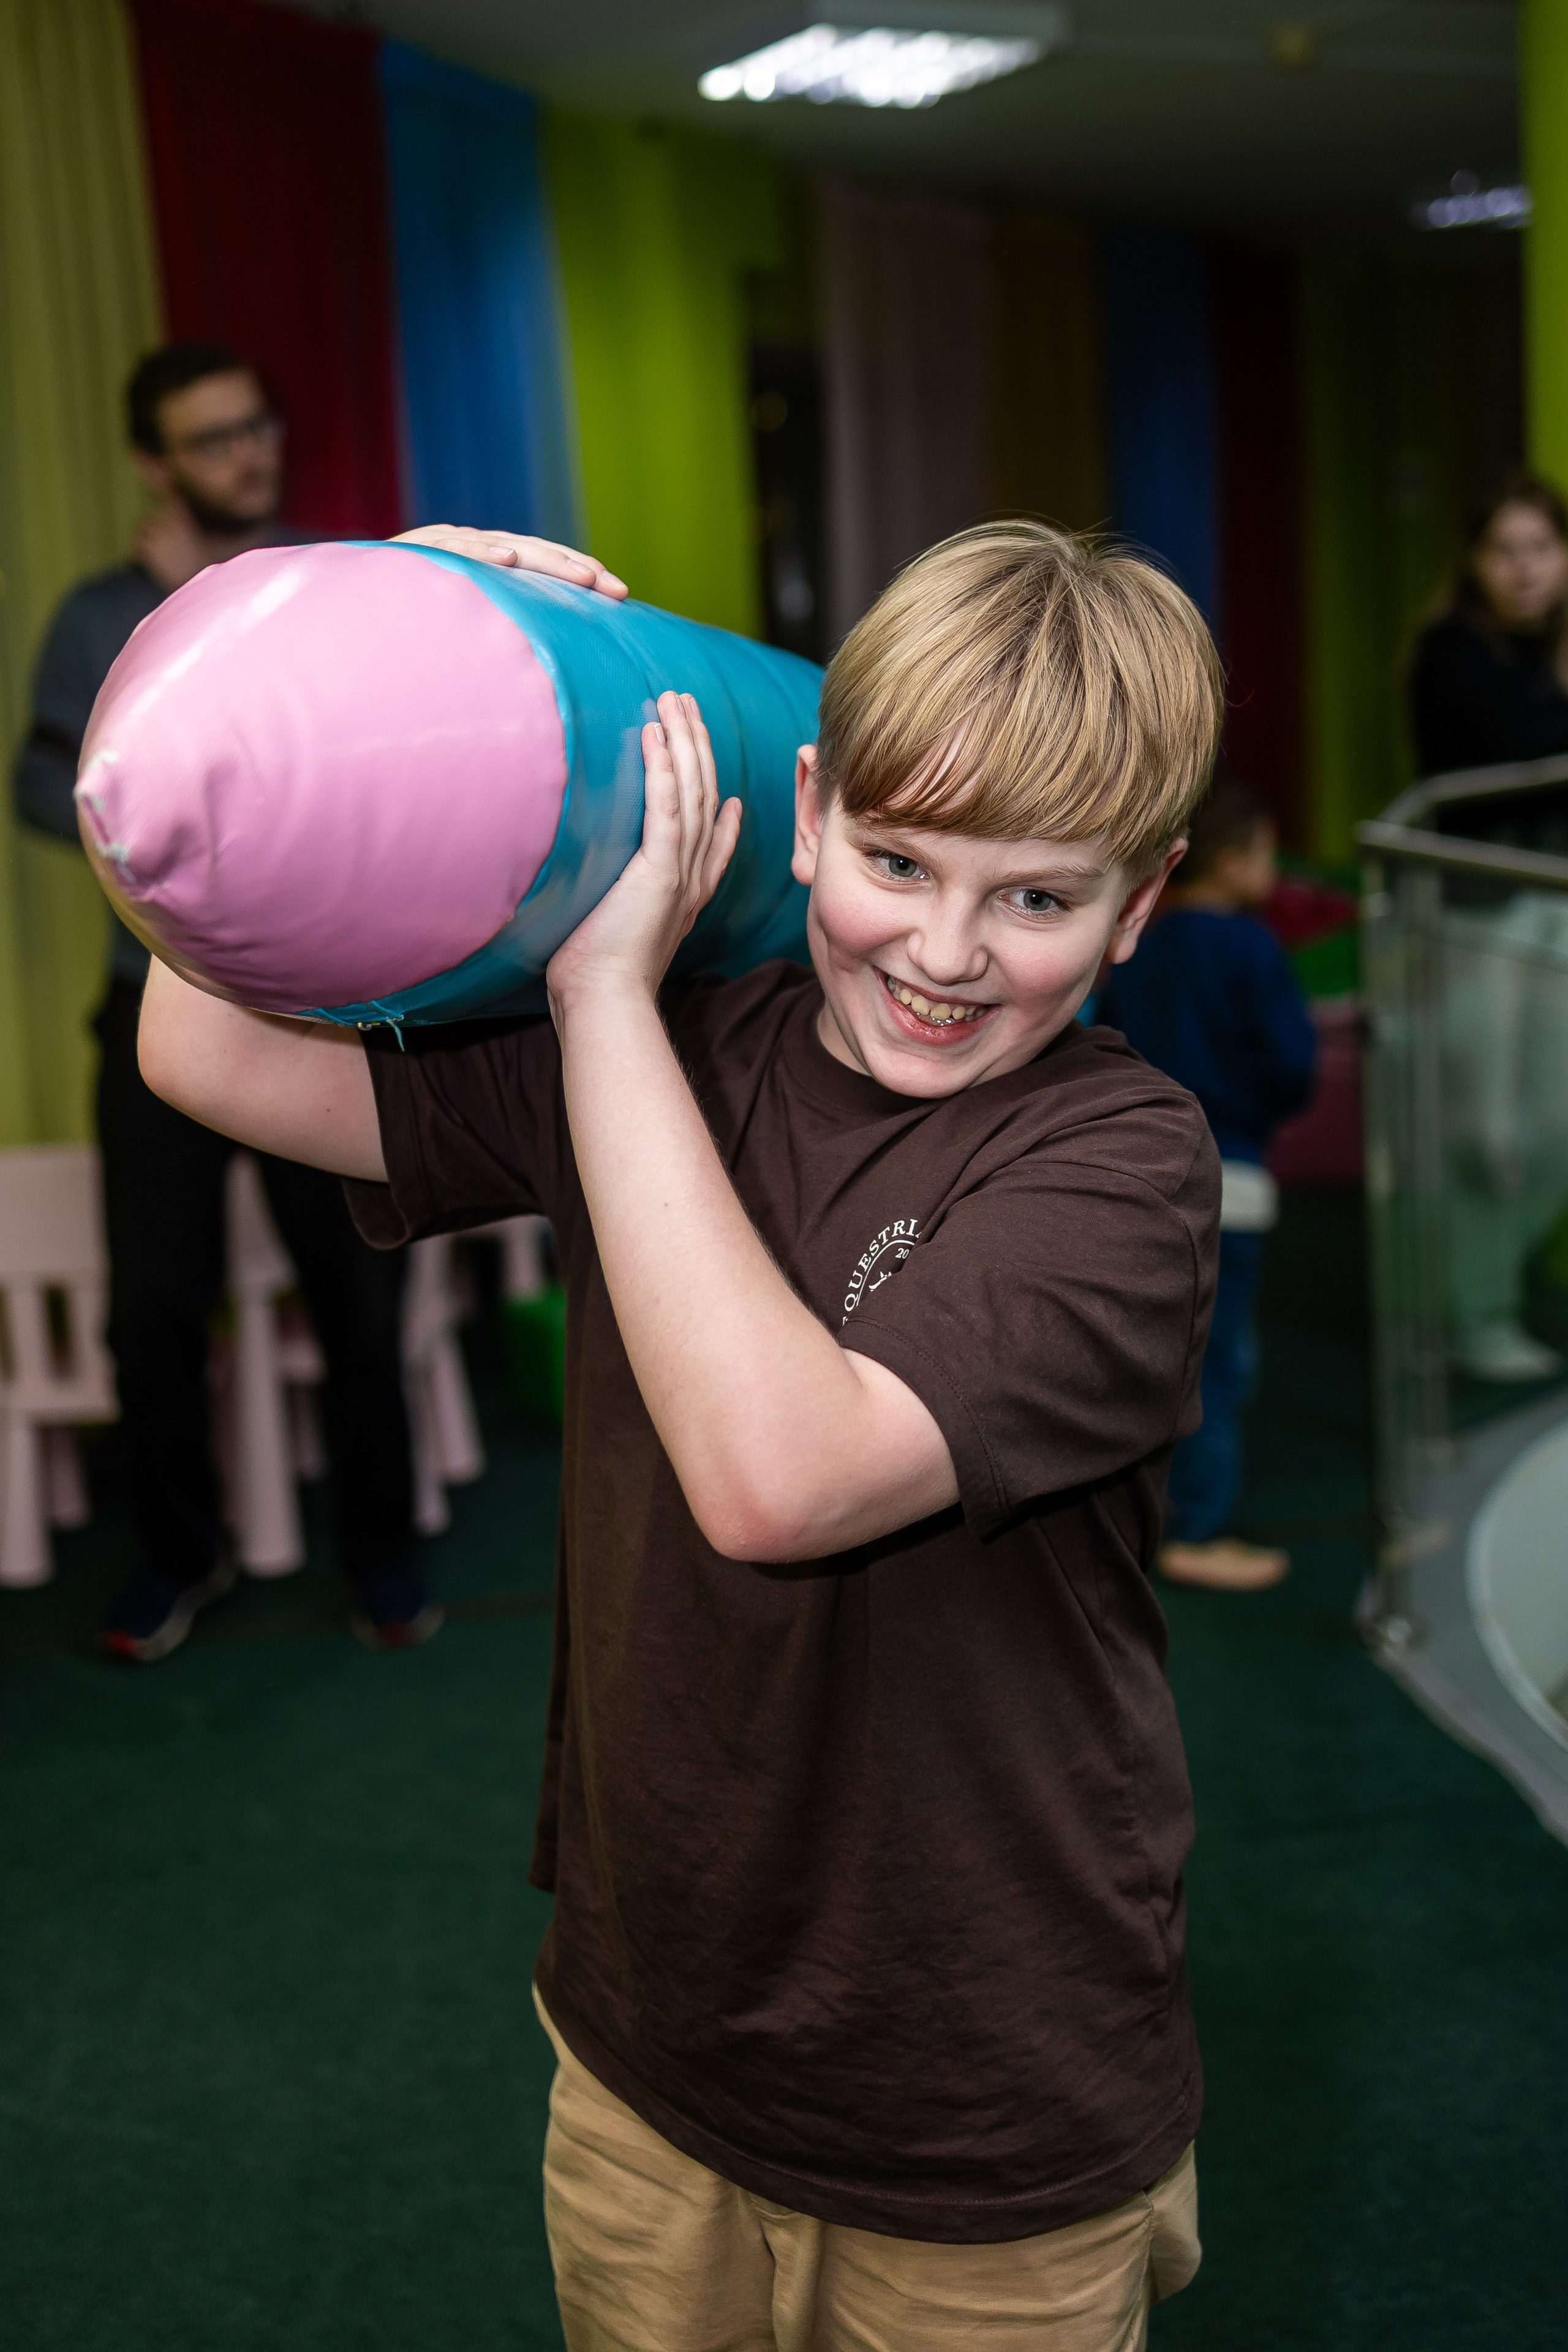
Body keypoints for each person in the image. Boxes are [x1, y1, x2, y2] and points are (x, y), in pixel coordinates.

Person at [136, 521, 1223, 2350]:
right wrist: (361, 616)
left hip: (977, 2102)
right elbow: (206, 1050)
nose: (943, 952)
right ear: (805, 814)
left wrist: (601, 1003)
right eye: (895, 860)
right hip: (655, 2042)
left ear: (1137, 905)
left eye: (1036, 900)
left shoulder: (1119, 1167)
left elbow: (776, 1479)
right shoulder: (683, 1045)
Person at [13, 341, 435, 1659]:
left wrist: (210, 603)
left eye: (257, 425)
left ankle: (383, 1557)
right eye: (212, 438)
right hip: (155, 1012)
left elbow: (377, 758)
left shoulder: (329, 582)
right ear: (154, 463)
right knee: (152, 1309)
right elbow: (41, 790)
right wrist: (168, 615)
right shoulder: (99, 615)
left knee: (355, 1293)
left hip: (317, 1009)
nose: (249, 454)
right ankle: (175, 1560)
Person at [1098, 778, 1316, 1593]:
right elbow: (1292, 1064)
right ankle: (1198, 1526)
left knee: (1139, 1353)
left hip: (1136, 1173)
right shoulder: (1252, 948)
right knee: (1215, 1362)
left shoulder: (1139, 942)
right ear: (1230, 861)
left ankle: (1125, 1520)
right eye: (1265, 853)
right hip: (1231, 1177)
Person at [1409, 473, 1568, 1383]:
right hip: (1474, 913)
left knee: (1553, 1123)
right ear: (1476, 561)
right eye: (1505, 550)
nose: (1525, 569)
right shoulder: (1449, 652)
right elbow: (1515, 742)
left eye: (1541, 548)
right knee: (1486, 1132)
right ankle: (1473, 1314)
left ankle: (1483, 1288)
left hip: (1555, 902)